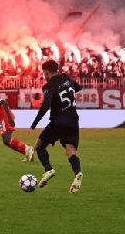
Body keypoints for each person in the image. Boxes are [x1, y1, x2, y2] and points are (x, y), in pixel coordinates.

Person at [28, 59, 84, 194]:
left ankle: (48, 169)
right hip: (73, 121)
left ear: (47, 73)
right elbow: (79, 88)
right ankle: (77, 173)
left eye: (44, 73)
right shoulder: (66, 78)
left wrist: (34, 124)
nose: (44, 76)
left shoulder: (48, 87)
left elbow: (45, 106)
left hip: (58, 122)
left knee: (39, 146)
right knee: (70, 151)